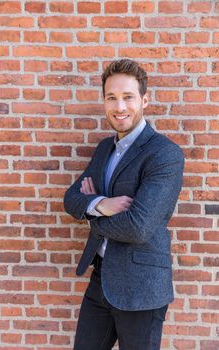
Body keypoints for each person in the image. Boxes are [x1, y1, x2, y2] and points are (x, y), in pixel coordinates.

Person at [64, 59, 184, 350]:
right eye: (111, 98)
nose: (119, 107)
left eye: (128, 97)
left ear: (144, 99)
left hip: (141, 288)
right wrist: (102, 203)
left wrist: (92, 216)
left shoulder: (164, 154)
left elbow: (138, 227)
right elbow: (72, 198)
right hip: (101, 279)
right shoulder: (105, 148)